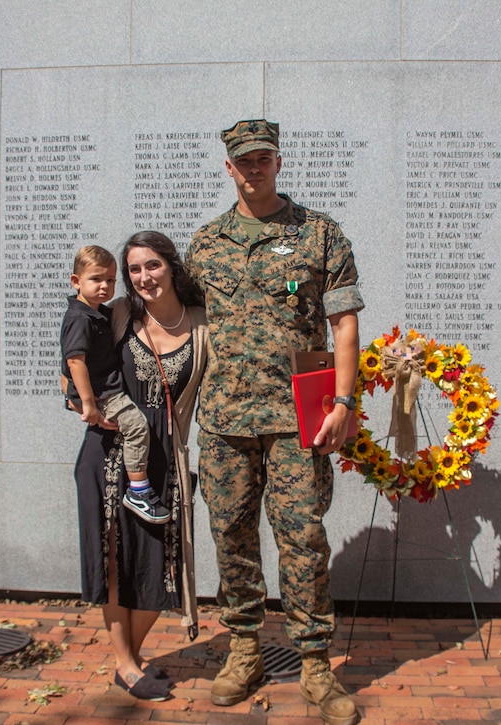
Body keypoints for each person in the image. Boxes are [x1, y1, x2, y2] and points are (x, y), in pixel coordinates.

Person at [186, 119, 364, 725]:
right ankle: (244, 649)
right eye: (243, 161)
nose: (254, 168)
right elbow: (177, 322)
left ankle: (315, 666)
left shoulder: (318, 234)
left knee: (303, 541)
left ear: (278, 163)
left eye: (264, 158)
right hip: (226, 420)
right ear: (229, 168)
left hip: (296, 419)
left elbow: (344, 325)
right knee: (231, 536)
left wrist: (344, 403)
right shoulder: (205, 244)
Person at [63, 232, 208, 701]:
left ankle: (133, 655)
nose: (143, 277)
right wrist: (79, 400)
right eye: (134, 270)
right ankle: (126, 663)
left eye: (152, 266)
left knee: (159, 563)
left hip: (164, 461)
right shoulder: (120, 313)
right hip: (107, 456)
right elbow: (76, 359)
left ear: (171, 266)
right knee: (114, 563)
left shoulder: (203, 325)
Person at [61, 245, 170, 524]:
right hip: (102, 394)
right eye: (96, 279)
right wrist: (88, 404)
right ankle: (139, 490)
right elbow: (74, 362)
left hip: (103, 392)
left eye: (110, 280)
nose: (105, 286)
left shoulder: (100, 314)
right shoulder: (79, 318)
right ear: (76, 282)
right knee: (136, 425)